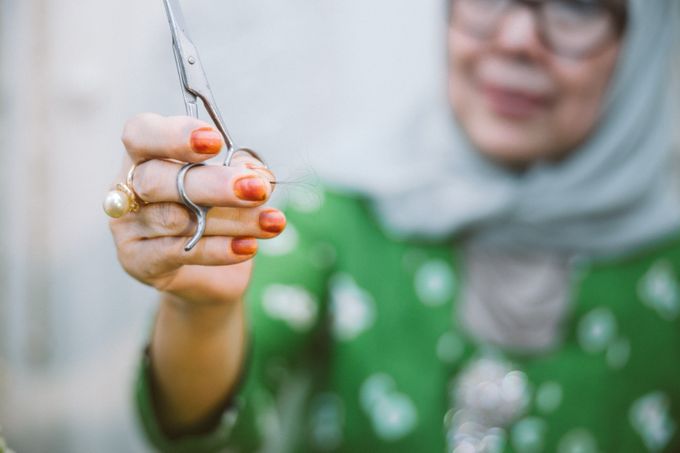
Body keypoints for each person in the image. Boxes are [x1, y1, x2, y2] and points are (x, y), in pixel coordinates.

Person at [107, 0, 680, 451]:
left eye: (577, 5)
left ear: (645, 38)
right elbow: (206, 430)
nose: (514, 38)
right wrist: (201, 311)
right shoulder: (346, 215)